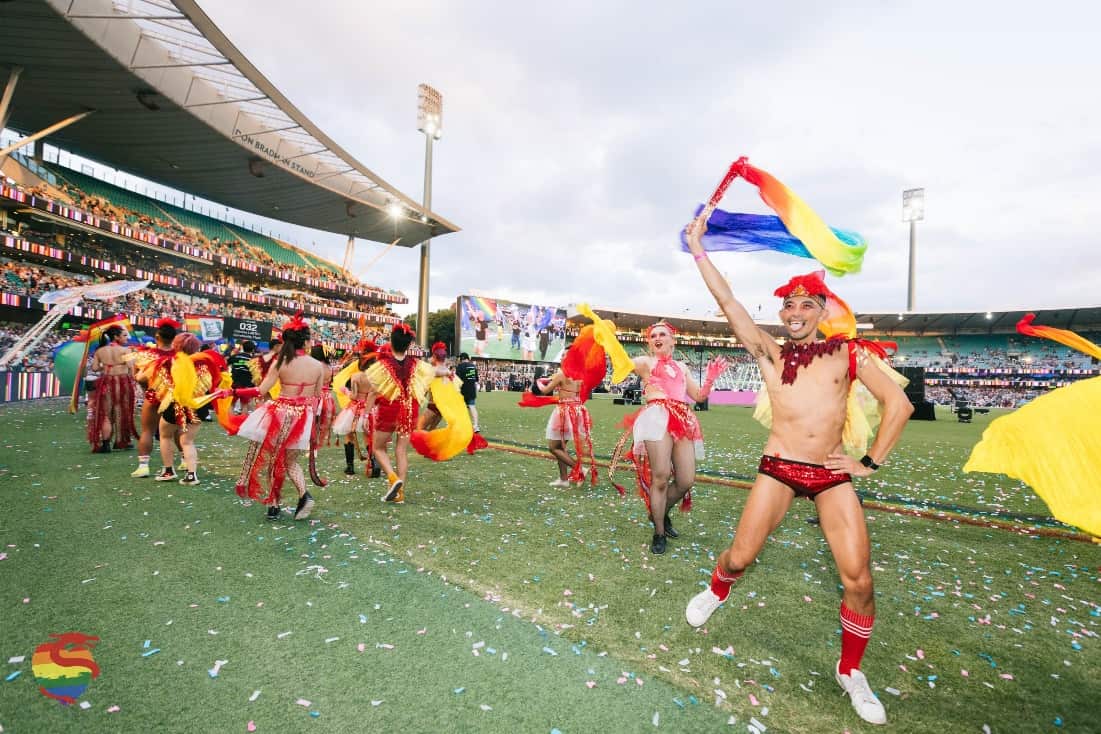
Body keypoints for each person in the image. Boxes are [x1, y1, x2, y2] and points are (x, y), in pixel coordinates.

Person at [682, 215, 913, 726]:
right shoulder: (769, 353)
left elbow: (899, 404)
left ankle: (850, 671)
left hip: (831, 475)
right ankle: (718, 588)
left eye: (807, 303)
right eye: (789, 303)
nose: (795, 311)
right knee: (740, 558)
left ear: (823, 310)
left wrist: (868, 462)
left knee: (859, 582)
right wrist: (699, 247)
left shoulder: (850, 353)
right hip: (780, 467)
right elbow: (729, 304)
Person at [610, 321, 726, 554]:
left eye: (662, 334)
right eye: (653, 336)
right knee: (661, 476)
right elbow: (622, 362)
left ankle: (658, 512)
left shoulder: (682, 367)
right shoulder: (645, 362)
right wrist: (607, 337)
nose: (657, 338)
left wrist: (712, 378)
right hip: (656, 417)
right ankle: (659, 532)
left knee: (686, 480)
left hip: (681, 419)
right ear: (650, 343)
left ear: (673, 340)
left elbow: (698, 396)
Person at [235, 314, 327, 521]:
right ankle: (304, 495)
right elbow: (317, 395)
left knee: (274, 459)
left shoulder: (281, 362)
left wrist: (234, 393)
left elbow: (261, 390)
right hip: (303, 417)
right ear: (305, 341)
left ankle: (274, 505)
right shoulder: (316, 366)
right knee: (290, 461)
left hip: (279, 414)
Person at [363, 323, 438, 504]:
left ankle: (392, 478)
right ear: (409, 345)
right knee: (401, 450)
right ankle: (400, 493)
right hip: (409, 409)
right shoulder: (417, 364)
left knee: (378, 448)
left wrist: (366, 414)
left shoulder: (382, 365)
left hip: (390, 409)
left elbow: (374, 392)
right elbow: (430, 378)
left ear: (391, 341)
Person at [155, 333, 224, 485]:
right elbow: (212, 383)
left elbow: (161, 383)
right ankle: (191, 475)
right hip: (197, 406)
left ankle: (168, 471)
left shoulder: (171, 361)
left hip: (175, 405)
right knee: (187, 441)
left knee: (165, 436)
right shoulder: (205, 363)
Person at [130, 318, 179, 478]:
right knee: (178, 431)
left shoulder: (148, 355)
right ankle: (186, 460)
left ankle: (144, 466)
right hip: (174, 397)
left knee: (147, 431)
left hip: (154, 396)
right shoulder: (179, 356)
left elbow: (139, 378)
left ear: (157, 336)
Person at [535, 360, 592, 488]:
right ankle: (563, 479)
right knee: (560, 448)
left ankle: (580, 469)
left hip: (565, 411)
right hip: (577, 410)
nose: (562, 359)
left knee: (553, 447)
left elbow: (545, 391)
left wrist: (539, 382)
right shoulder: (580, 374)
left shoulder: (561, 374)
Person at [86, 324, 137, 453]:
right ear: (116, 336)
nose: (127, 338)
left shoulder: (100, 351)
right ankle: (120, 441)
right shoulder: (126, 351)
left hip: (106, 382)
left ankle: (106, 443)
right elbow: (132, 368)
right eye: (124, 335)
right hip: (123, 382)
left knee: (106, 414)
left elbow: (95, 368)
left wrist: (107, 366)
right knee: (121, 411)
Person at [334, 344, 379, 476]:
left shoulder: (355, 377)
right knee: (368, 436)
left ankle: (350, 467)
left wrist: (345, 391)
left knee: (349, 434)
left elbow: (353, 396)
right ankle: (374, 463)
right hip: (369, 409)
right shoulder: (375, 378)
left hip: (354, 409)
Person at [418, 341, 452, 431]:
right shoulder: (446, 370)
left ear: (435, 357)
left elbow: (425, 387)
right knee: (431, 430)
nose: (429, 358)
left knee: (420, 428)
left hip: (433, 406)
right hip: (443, 406)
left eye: (431, 356)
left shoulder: (434, 370)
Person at [311, 344, 337, 447]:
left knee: (314, 421)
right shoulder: (329, 367)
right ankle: (318, 442)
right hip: (327, 397)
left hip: (316, 395)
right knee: (323, 422)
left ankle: (313, 443)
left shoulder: (316, 366)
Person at [226, 340, 257, 414]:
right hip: (247, 385)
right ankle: (242, 422)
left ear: (242, 347)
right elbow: (255, 373)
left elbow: (226, 364)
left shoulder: (235, 356)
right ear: (253, 349)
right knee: (244, 405)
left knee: (232, 403)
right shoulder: (253, 360)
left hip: (235, 383)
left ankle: (230, 421)